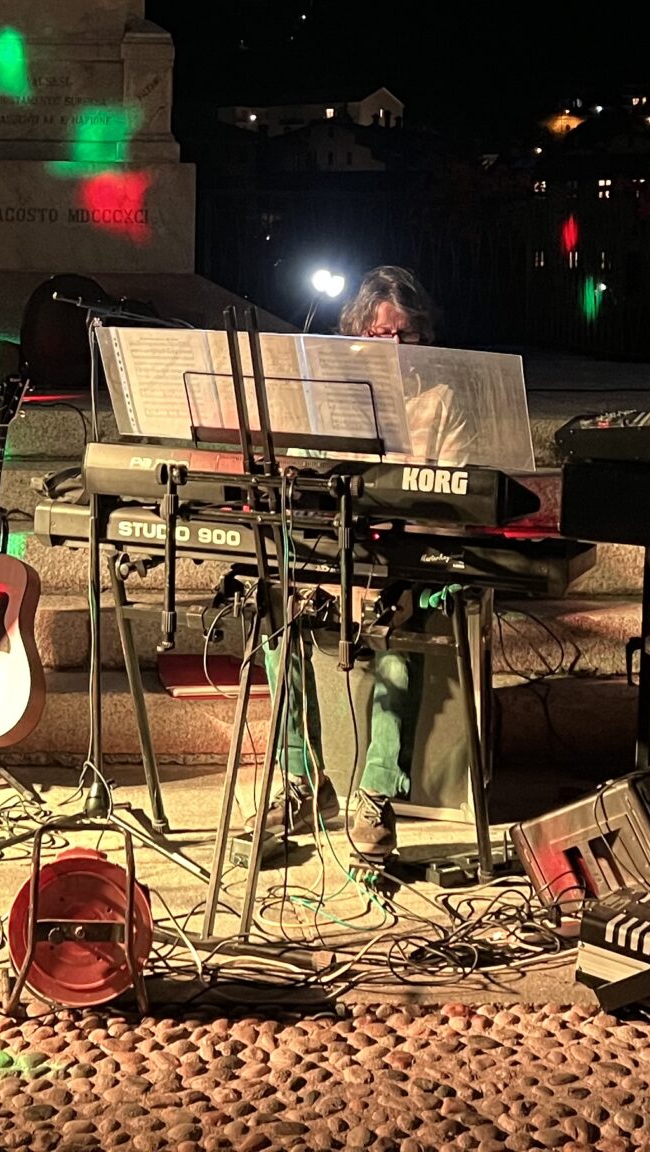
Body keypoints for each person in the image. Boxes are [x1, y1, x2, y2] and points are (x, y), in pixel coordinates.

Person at [259, 266, 443, 869]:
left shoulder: (439, 399)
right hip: (332, 545)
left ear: (421, 336)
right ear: (358, 333)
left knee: (399, 642)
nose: (393, 346)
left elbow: (456, 494)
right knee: (275, 620)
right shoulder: (329, 393)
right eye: (380, 333)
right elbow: (300, 470)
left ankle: (376, 796)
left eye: (405, 334)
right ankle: (300, 780)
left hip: (404, 551)